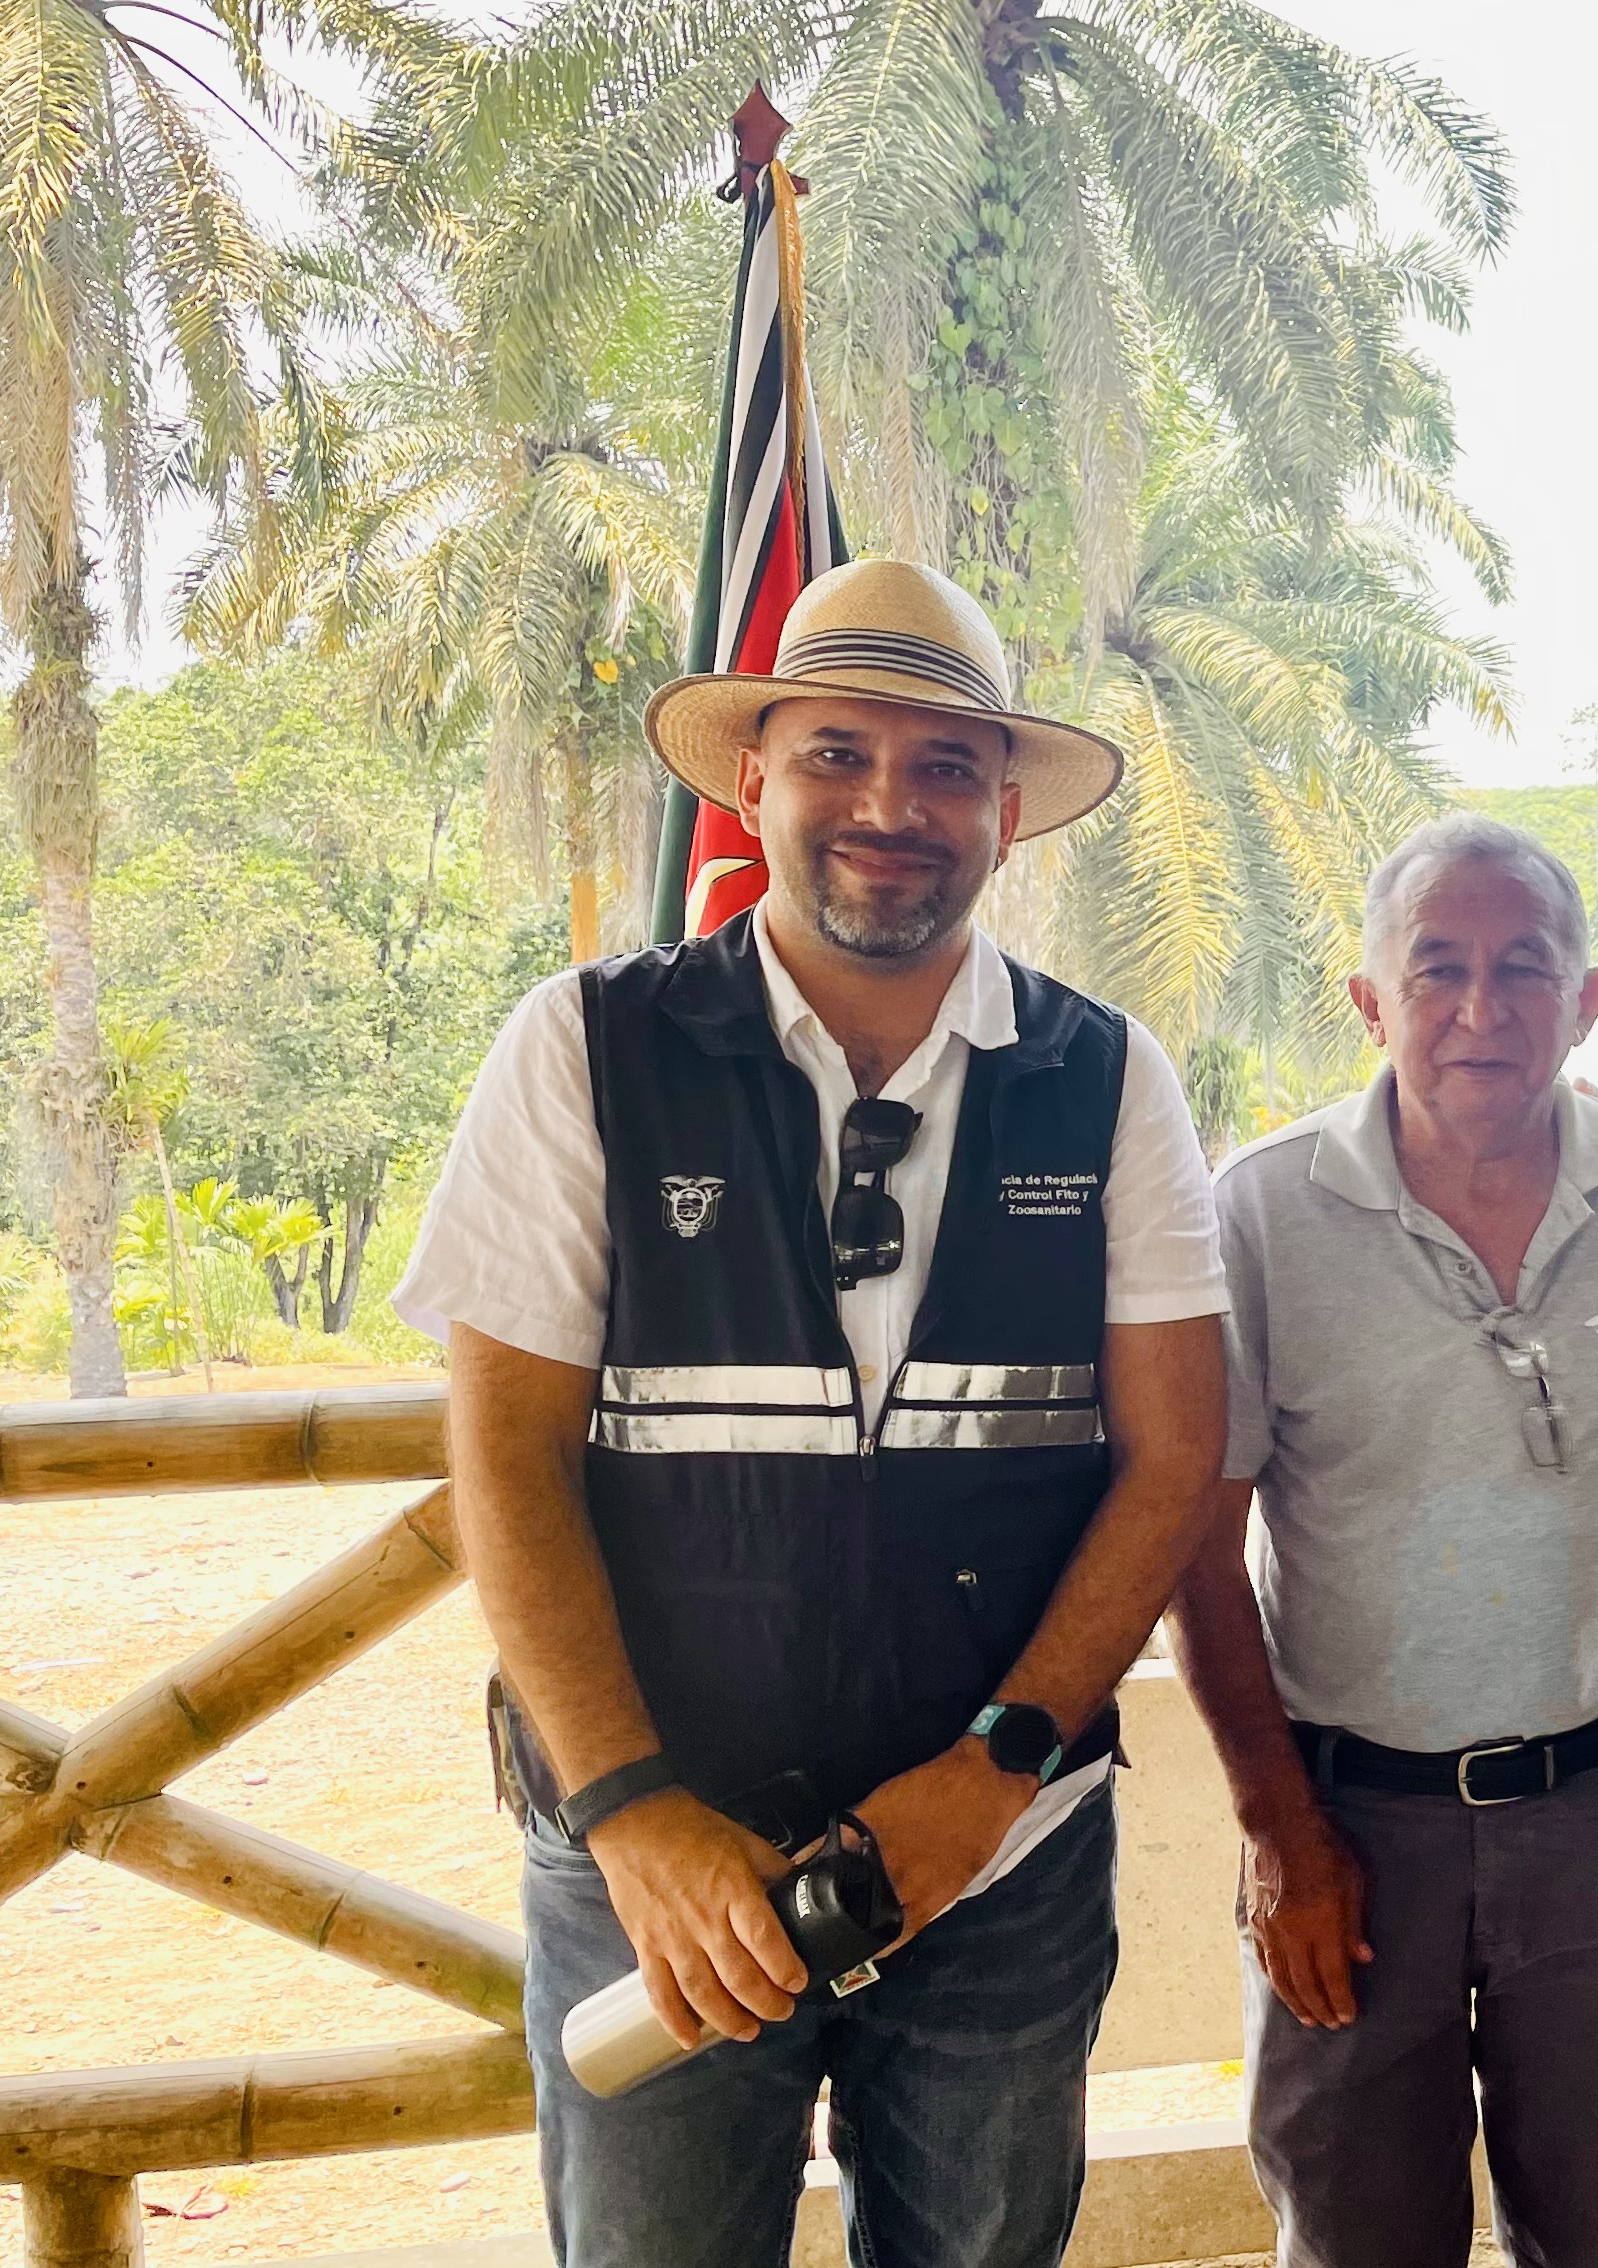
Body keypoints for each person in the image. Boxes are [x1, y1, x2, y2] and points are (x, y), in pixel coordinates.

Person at [397, 556, 1232, 2268]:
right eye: (838, 754)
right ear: (752, 779)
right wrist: (633, 1813)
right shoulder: (585, 1048)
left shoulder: (1106, 1075)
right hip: (660, 1867)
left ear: (1007, 809)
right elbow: (506, 1456)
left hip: (999, 1867)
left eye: (945, 768)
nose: (890, 808)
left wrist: (995, 1773)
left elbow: (1172, 1460)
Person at [1172, 814, 1598, 2268]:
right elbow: (1197, 1552)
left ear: (1588, 999)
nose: (1481, 1009)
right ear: (1371, 1001)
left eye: (1526, 969)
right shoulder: (1260, 1212)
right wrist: (1280, 1832)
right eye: (1437, 969)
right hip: (1348, 1826)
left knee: (1597, 2231)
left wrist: (1570, 1618)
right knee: (1356, 2234)